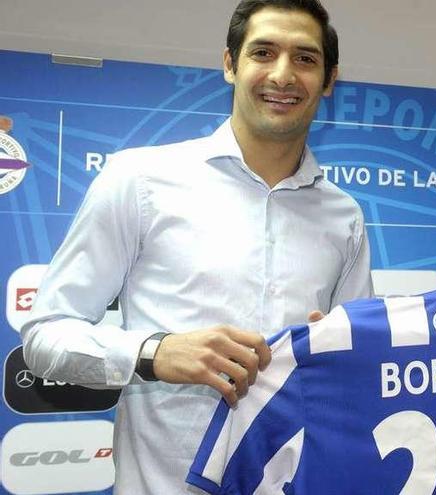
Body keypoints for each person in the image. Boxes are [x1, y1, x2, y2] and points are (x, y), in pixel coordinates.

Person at [20, 1, 372, 493]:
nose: (283, 74)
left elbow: (356, 374)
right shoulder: (138, 180)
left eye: (306, 59)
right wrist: (154, 352)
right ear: (231, 64)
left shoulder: (345, 217)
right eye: (263, 52)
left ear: (329, 80)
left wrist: (339, 352)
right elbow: (44, 338)